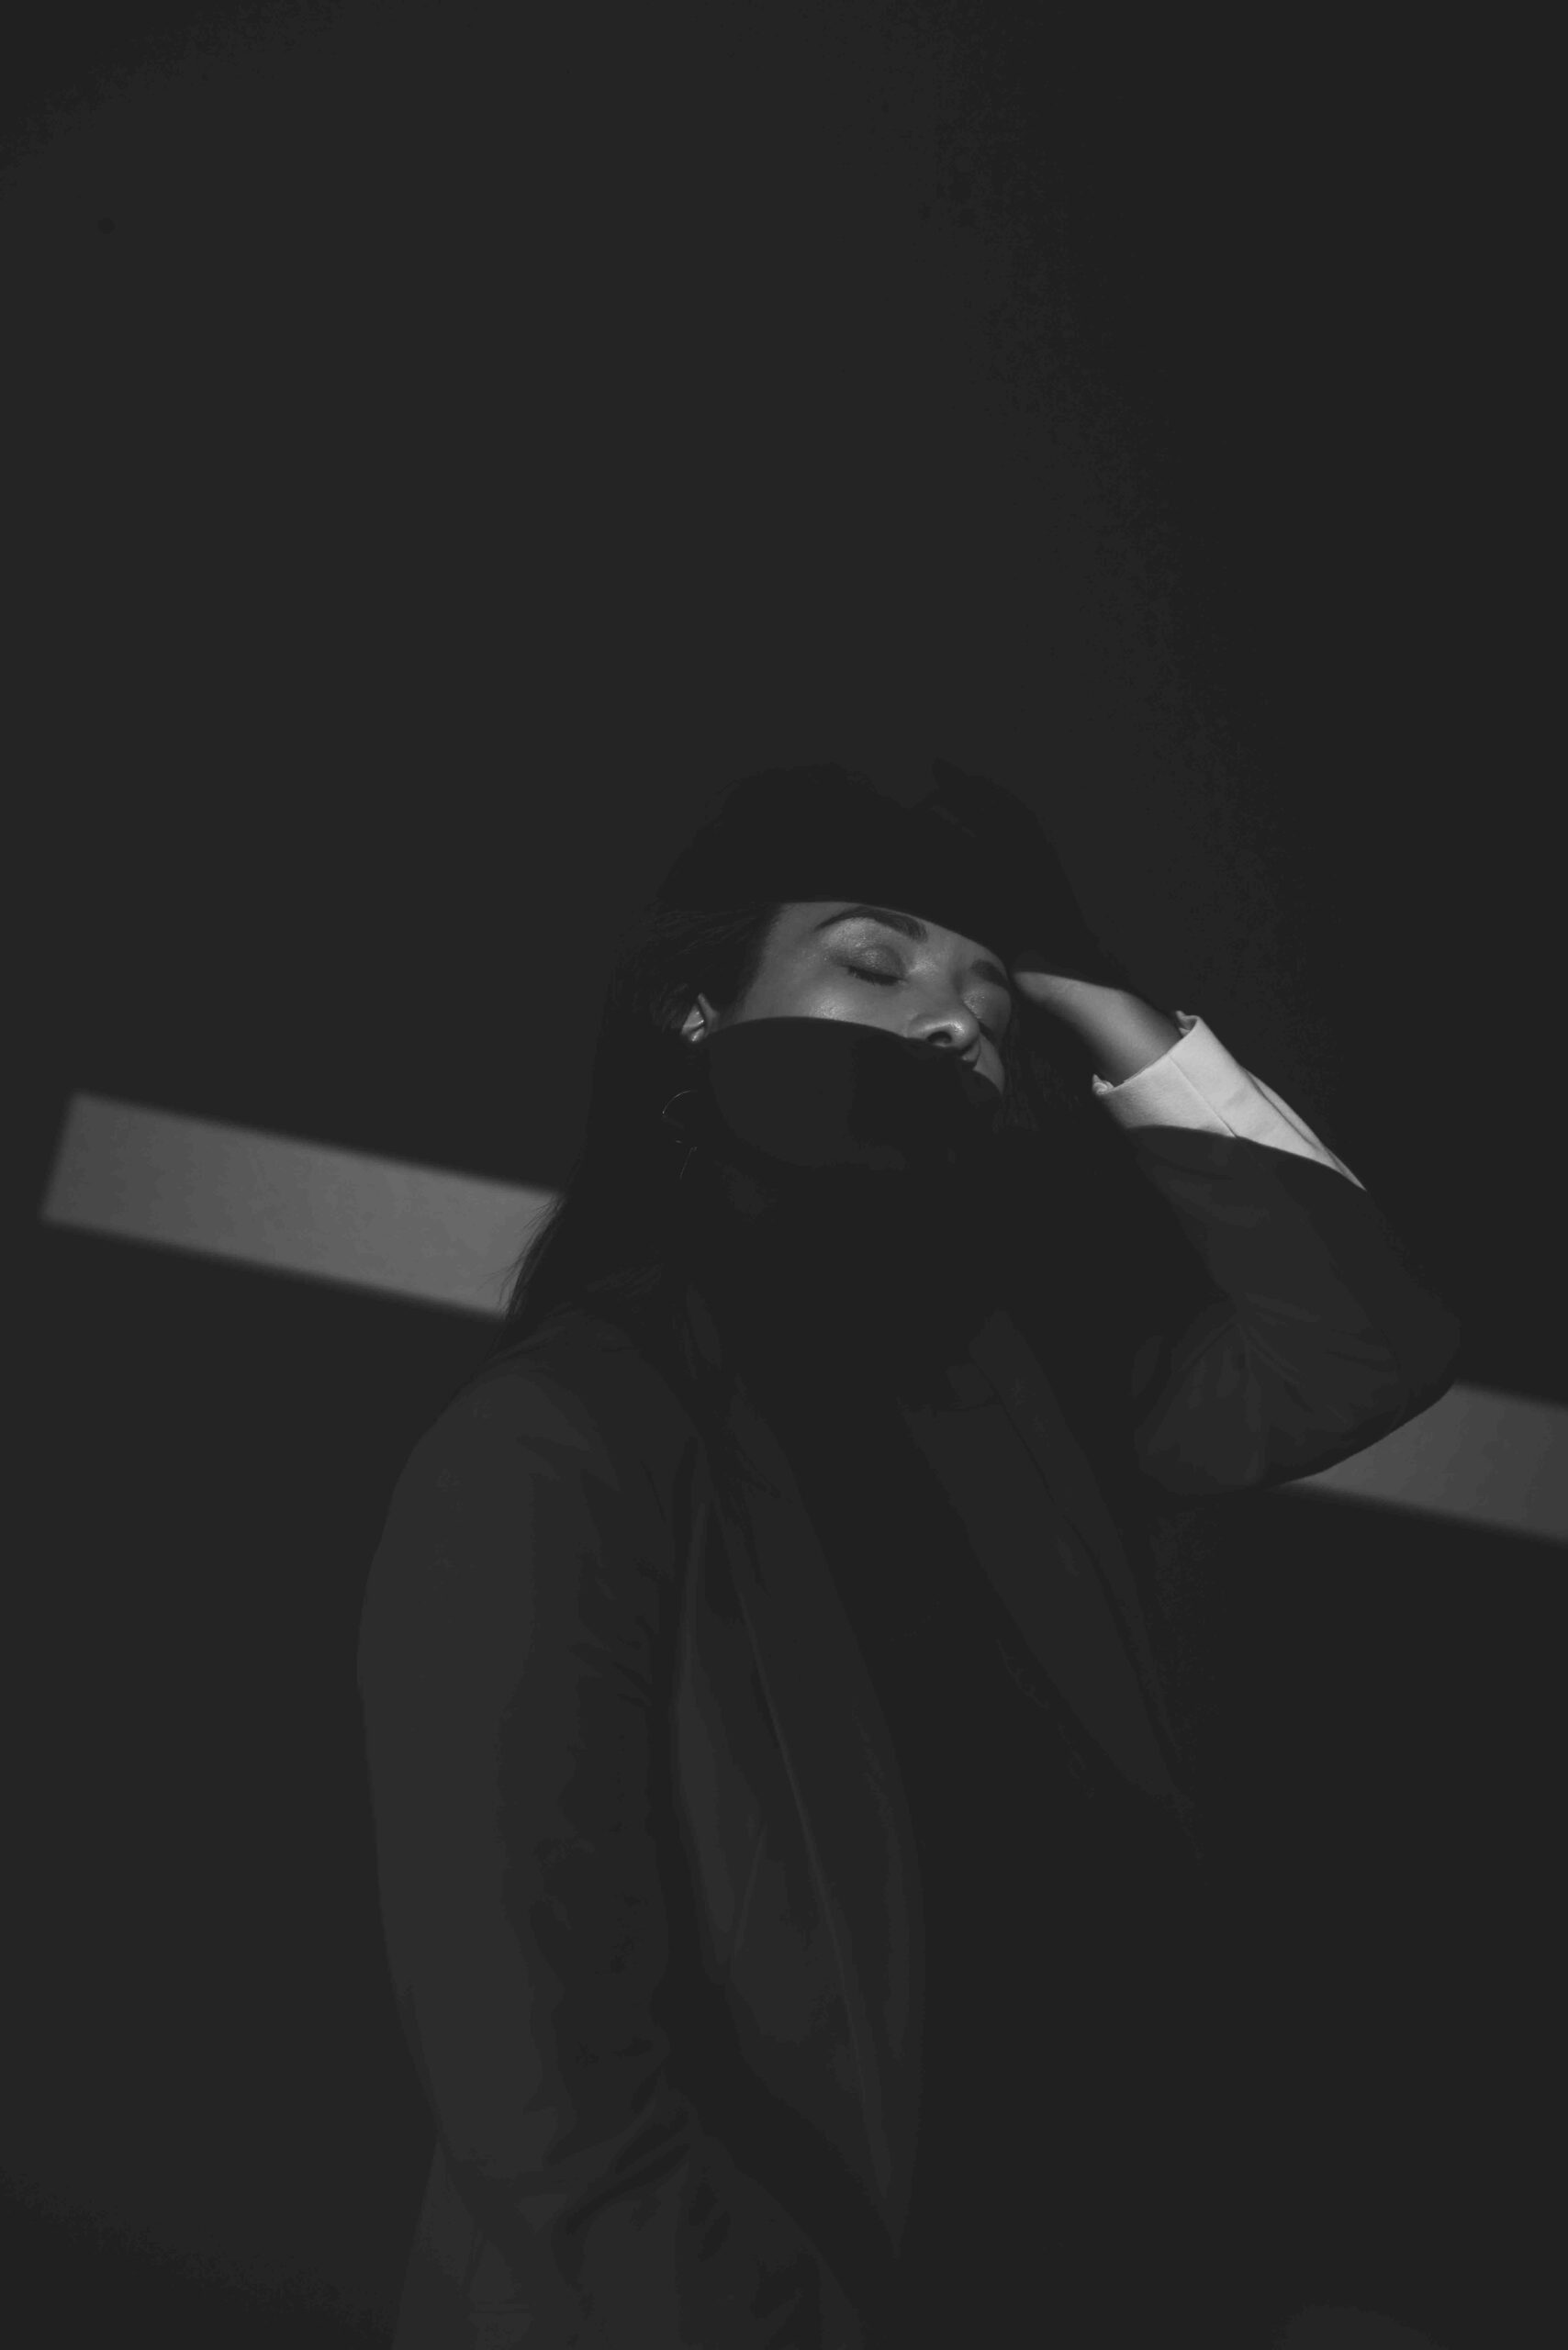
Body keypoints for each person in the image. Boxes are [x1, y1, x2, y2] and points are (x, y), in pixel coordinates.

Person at [355, 762, 1462, 2348]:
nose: (952, 1019)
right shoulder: (557, 1446)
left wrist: (1097, 1004)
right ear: (696, 1011)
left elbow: (1363, 1348)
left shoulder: (1032, 1395)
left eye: (990, 1000)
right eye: (876, 963)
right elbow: (557, 2121)